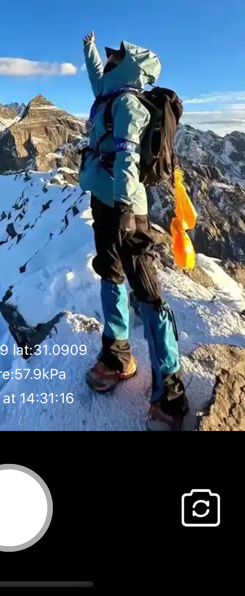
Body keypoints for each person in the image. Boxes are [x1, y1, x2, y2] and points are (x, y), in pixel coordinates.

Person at [79, 31, 189, 431]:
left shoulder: (127, 103)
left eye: (115, 55)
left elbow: (127, 155)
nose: (109, 59)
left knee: (147, 293)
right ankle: (118, 354)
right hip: (104, 200)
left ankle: (170, 390)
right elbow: (96, 75)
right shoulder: (108, 93)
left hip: (126, 208)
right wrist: (89, 49)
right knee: (110, 274)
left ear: (129, 64)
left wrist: (126, 207)